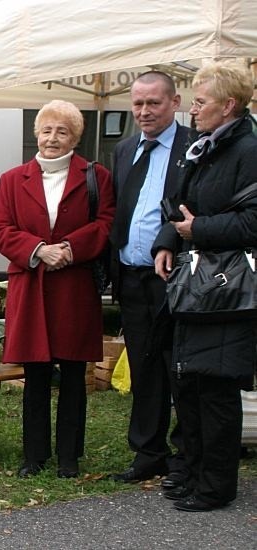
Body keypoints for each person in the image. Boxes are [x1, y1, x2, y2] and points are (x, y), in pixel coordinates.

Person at [0, 99, 114, 478]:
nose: (52, 138)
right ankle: (34, 455)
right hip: (31, 284)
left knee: (74, 374)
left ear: (75, 136)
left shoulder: (97, 176)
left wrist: (71, 249)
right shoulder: (12, 179)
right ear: (36, 134)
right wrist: (38, 250)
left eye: (62, 131)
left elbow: (106, 223)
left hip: (74, 287)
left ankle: (68, 458)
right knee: (36, 373)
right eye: (46, 130)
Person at [153, 60, 257, 511]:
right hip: (196, 283)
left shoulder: (249, 150)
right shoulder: (204, 146)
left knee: (215, 386)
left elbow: (252, 221)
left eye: (200, 102)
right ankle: (193, 472)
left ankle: (215, 486)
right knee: (189, 381)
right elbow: (178, 204)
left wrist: (200, 230)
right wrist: (167, 241)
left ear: (228, 105)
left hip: (228, 291)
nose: (192, 110)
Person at [109, 71, 191, 485]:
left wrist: (170, 242)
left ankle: (184, 456)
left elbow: (193, 206)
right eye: (138, 103)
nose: (144, 111)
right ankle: (148, 453)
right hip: (132, 276)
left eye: (153, 103)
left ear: (175, 102)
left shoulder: (194, 146)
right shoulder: (125, 150)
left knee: (179, 366)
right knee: (144, 368)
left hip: (175, 276)